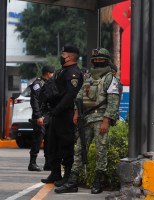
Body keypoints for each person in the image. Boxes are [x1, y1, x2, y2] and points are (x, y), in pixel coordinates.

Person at [55, 48, 121, 194]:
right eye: (95, 60)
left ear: (106, 61)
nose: (97, 61)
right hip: (86, 119)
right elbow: (79, 96)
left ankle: (98, 181)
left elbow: (113, 102)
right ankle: (72, 182)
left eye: (100, 59)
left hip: (100, 118)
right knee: (79, 149)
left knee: (100, 150)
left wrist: (106, 121)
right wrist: (76, 112)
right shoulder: (89, 77)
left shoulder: (111, 79)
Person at [41, 46, 84, 185]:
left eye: (63, 54)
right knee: (52, 145)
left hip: (66, 114)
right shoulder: (61, 71)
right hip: (55, 114)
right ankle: (55, 173)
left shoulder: (73, 73)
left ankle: (67, 177)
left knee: (66, 146)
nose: (61, 56)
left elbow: (70, 95)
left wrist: (57, 110)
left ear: (70, 57)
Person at [28, 65, 55, 171]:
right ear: (48, 73)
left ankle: (48, 163)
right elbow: (34, 101)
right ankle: (32, 163)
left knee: (49, 139)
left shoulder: (50, 83)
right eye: (52, 73)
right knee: (38, 139)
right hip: (40, 116)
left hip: (48, 115)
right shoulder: (38, 84)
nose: (52, 75)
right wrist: (38, 116)